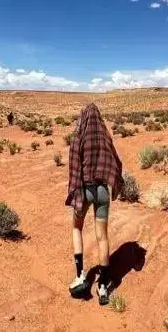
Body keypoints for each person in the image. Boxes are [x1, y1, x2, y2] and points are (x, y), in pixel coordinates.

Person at [65, 103, 123, 305]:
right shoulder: (105, 136)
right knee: (102, 237)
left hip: (85, 190)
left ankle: (81, 276)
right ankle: (103, 286)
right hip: (102, 192)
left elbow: (73, 164)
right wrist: (114, 183)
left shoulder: (78, 135)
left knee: (76, 227)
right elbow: (116, 161)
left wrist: (75, 191)